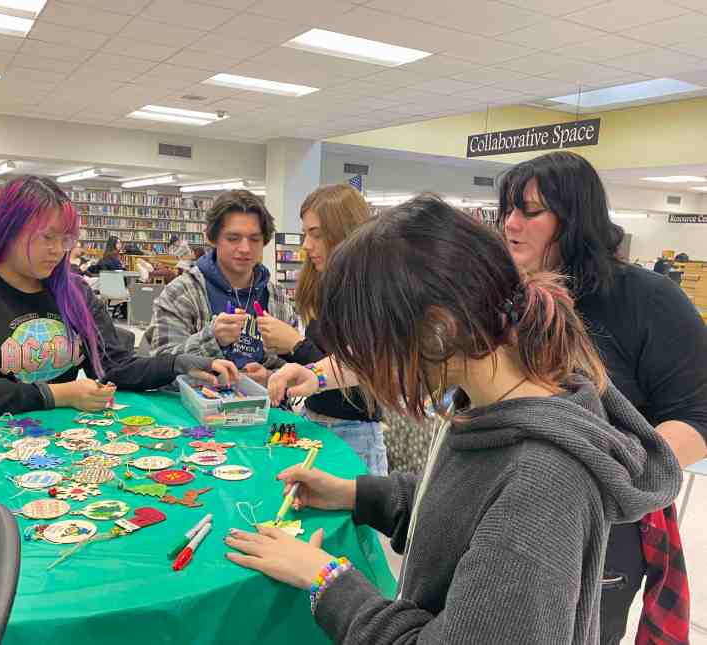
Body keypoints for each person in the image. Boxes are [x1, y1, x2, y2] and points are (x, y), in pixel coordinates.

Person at [226, 196, 680, 645]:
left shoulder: (542, 481)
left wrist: (327, 581)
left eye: (371, 346)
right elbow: (458, 513)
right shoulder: (481, 405)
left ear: (438, 330)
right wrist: (356, 494)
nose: (364, 367)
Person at [498, 151, 707, 645]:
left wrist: (609, 478)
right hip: (503, 509)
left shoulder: (646, 298)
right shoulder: (507, 296)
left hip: (600, 530)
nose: (510, 223)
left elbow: (698, 414)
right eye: (507, 209)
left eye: (530, 211)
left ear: (574, 220)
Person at [0, 176, 237, 416]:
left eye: (66, 239)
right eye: (47, 237)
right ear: (7, 231)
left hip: (61, 441)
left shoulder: (74, 292)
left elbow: (115, 366)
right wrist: (59, 394)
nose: (58, 250)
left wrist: (176, 364)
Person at [253, 184, 387, 475]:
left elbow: (361, 374)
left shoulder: (369, 295)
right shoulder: (325, 287)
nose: (305, 245)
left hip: (353, 431)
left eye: (316, 234)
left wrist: (296, 345)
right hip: (315, 419)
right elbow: (325, 365)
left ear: (344, 233)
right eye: (305, 234)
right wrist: (281, 365)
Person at [142, 189, 297, 373]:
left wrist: (270, 377)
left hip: (263, 393)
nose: (245, 248)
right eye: (233, 238)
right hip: (197, 392)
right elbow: (161, 364)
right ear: (212, 238)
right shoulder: (180, 293)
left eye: (254, 239)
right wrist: (211, 339)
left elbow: (297, 369)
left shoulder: (278, 299)